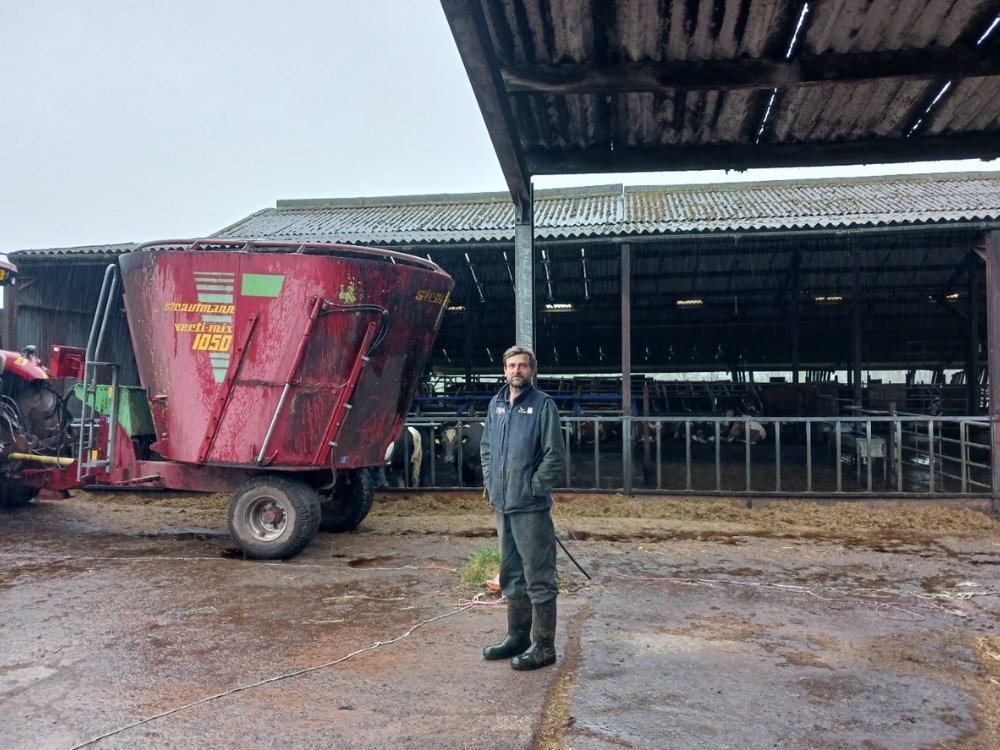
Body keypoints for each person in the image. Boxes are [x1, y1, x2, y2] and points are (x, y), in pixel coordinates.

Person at [480, 345, 566, 670]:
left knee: (539, 576)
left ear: (532, 371)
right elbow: (487, 448)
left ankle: (544, 646)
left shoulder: (543, 406)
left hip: (529, 508)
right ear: (504, 370)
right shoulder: (496, 405)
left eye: (523, 366)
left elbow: (555, 455)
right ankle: (517, 637)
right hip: (503, 506)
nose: (517, 371)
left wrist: (534, 488)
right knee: (510, 574)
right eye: (512, 366)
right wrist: (491, 483)